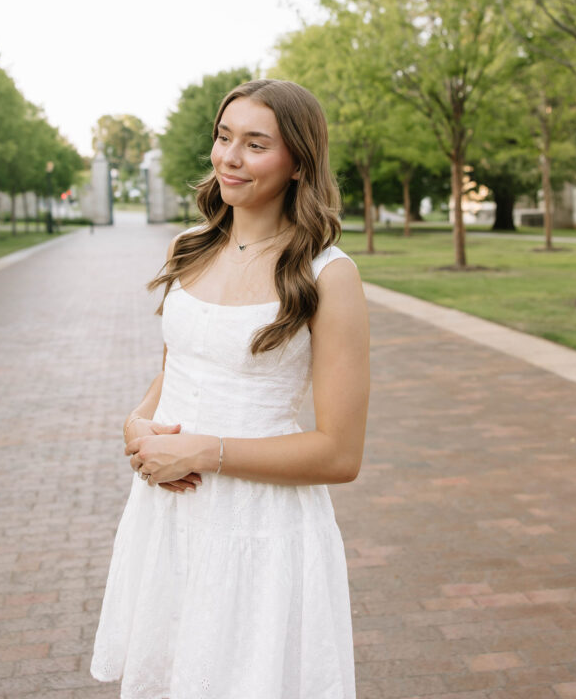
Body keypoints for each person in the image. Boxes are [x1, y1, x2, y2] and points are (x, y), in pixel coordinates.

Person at [90, 78, 370, 699]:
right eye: (223, 137)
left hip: (260, 533)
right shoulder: (188, 249)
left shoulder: (329, 276)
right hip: (169, 515)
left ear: (298, 162)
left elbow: (340, 454)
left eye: (255, 144)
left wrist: (204, 452)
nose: (229, 158)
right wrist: (137, 425)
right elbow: (177, 370)